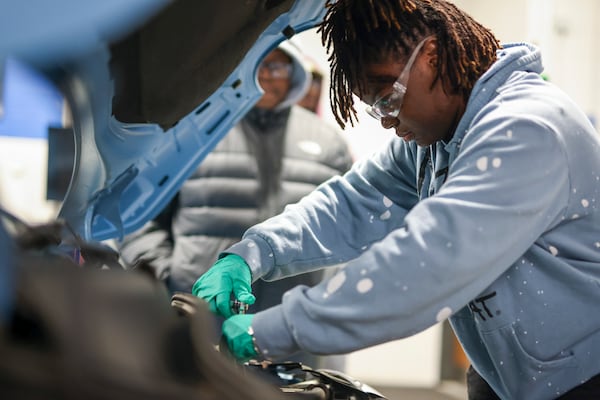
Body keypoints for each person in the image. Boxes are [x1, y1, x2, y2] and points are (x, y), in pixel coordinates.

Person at [191, 1, 600, 399]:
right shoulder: (436, 140)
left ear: (433, 56)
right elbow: (353, 202)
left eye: (388, 98)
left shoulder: (527, 128)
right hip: (506, 373)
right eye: (375, 109)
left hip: (581, 377)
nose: (388, 121)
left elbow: (432, 261)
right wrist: (253, 252)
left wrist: (275, 330)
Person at [119, 40, 353, 366]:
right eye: (259, 63)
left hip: (290, 327)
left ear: (295, 73)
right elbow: (138, 216)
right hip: (198, 321)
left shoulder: (328, 143)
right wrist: (163, 277)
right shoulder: (194, 135)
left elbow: (346, 226)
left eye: (278, 66)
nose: (268, 76)